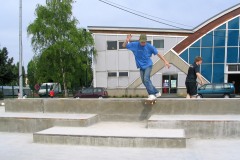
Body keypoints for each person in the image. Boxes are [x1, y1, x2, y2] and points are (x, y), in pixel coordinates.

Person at [122, 34, 171, 100]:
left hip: (148, 65)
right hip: (141, 67)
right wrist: (126, 40)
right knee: (144, 81)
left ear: (146, 41)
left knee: (146, 79)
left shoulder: (149, 46)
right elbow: (124, 45)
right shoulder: (135, 45)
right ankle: (156, 92)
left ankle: (152, 94)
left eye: (144, 42)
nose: (143, 43)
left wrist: (165, 61)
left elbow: (158, 53)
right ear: (139, 41)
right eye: (142, 42)